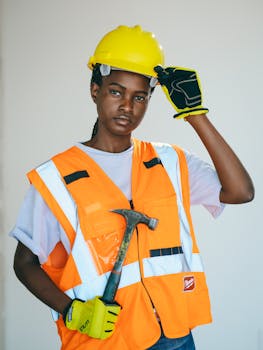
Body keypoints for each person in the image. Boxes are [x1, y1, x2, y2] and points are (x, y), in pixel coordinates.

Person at [10, 25, 254, 350]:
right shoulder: (57, 177)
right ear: (95, 90)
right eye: (116, 91)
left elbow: (241, 192)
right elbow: (24, 262)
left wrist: (194, 113)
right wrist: (72, 311)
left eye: (139, 97)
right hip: (105, 339)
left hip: (174, 335)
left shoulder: (169, 162)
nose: (128, 105)